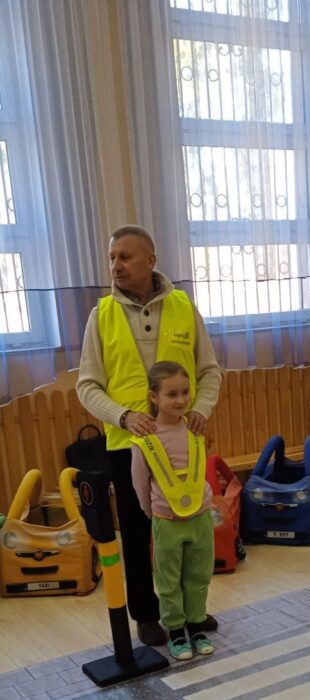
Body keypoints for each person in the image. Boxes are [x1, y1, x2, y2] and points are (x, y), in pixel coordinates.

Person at [77, 225, 221, 647]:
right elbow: (87, 385)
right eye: (112, 258)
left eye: (125, 256)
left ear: (151, 260)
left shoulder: (182, 306)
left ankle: (191, 612)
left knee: (190, 531)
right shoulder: (101, 315)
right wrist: (122, 417)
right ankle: (146, 613)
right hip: (129, 447)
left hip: (183, 445)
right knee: (139, 533)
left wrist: (200, 410)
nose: (116, 265)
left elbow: (209, 370)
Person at [130, 361, 215, 661]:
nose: (180, 400)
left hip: (200, 516)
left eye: (185, 392)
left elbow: (200, 467)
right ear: (154, 397)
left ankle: (197, 625)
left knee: (199, 576)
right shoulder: (145, 439)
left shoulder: (194, 428)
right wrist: (151, 512)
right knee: (168, 581)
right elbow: (139, 483)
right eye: (171, 394)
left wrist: (206, 500)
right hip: (166, 520)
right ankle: (176, 631)